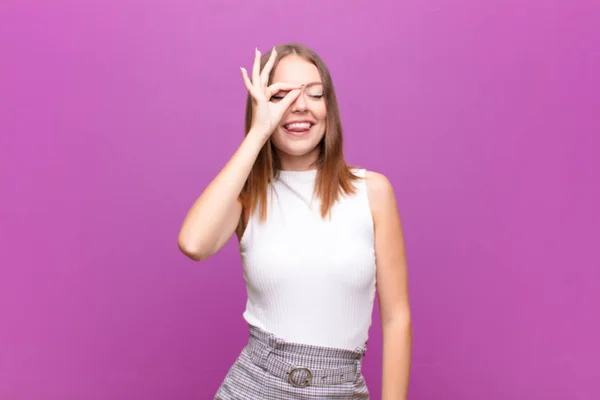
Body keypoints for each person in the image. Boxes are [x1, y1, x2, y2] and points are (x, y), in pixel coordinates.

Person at [177, 43, 411, 399]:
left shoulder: (372, 192)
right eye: (282, 95)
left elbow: (396, 318)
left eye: (314, 94)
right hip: (255, 386)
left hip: (341, 388)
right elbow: (193, 243)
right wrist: (258, 133)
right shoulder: (247, 198)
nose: (299, 105)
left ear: (328, 108)